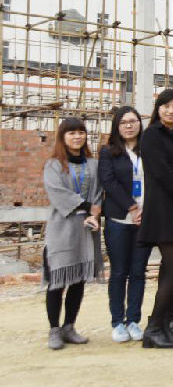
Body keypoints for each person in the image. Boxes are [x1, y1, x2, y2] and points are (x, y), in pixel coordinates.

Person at [138, 89, 173, 348]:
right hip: (162, 209)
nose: (171, 111)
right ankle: (153, 328)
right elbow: (162, 173)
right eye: (166, 106)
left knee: (169, 269)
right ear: (158, 108)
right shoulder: (151, 135)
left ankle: (160, 326)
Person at [42, 118, 103, 350]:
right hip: (62, 228)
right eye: (71, 133)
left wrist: (94, 213)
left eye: (81, 132)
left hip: (86, 228)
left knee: (78, 280)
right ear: (63, 137)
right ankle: (54, 329)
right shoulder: (53, 165)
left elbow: (98, 192)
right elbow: (56, 192)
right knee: (57, 281)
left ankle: (69, 326)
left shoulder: (93, 164)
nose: (77, 137)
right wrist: (87, 207)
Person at [98, 106, 152, 343]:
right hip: (119, 220)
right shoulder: (108, 152)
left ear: (140, 124)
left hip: (144, 221)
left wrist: (146, 210)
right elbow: (108, 182)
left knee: (138, 272)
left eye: (133, 121)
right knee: (119, 272)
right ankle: (118, 321)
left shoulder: (148, 150)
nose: (129, 125)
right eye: (124, 122)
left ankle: (133, 320)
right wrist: (131, 207)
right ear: (117, 126)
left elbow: (157, 180)